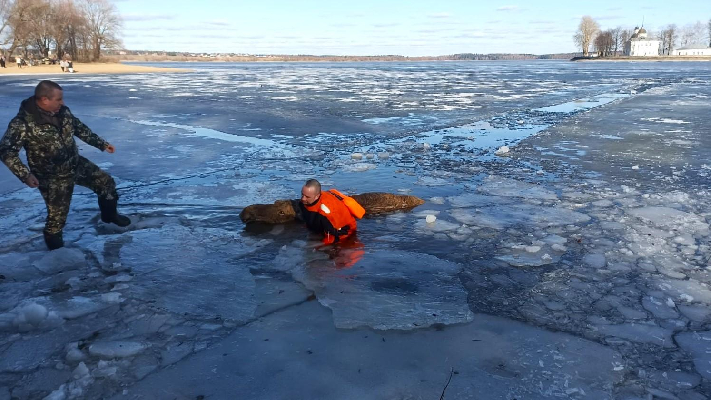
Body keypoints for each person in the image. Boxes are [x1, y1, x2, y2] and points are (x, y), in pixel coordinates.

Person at [0, 80, 131, 250]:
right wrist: (25, 175)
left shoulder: (63, 112)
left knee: (106, 183)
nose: (62, 103)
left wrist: (102, 144)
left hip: (75, 163)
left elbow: (79, 128)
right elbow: (6, 151)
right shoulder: (22, 124)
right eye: (59, 99)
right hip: (51, 177)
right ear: (45, 99)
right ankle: (57, 254)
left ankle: (109, 216)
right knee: (56, 219)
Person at [298, 179, 357, 244]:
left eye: (307, 197)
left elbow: (332, 235)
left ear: (317, 196)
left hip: (343, 230)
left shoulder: (325, 212)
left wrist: (321, 246)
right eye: (302, 194)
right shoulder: (305, 201)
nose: (303, 198)